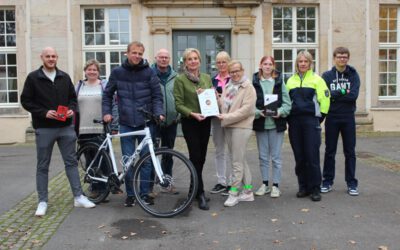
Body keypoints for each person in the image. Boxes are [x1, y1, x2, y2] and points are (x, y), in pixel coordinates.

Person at [21, 47, 95, 217]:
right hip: (44, 127)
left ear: (57, 57)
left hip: (65, 127)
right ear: (42, 58)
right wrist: (43, 112)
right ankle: (42, 201)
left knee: (71, 163)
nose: (51, 59)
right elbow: (25, 100)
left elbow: (72, 99)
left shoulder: (64, 76)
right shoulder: (33, 78)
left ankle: (78, 196)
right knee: (43, 165)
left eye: (54, 56)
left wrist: (71, 110)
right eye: (48, 56)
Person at [102, 41, 164, 207]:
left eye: (140, 53)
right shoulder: (117, 73)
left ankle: (143, 194)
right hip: (126, 122)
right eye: (134, 53)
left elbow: (157, 96)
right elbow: (107, 94)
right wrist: (107, 113)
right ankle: (130, 194)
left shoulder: (149, 73)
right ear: (127, 53)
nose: (137, 56)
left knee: (146, 160)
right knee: (127, 160)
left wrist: (159, 112)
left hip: (146, 122)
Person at [286, 51, 330, 202]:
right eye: (300, 61)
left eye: (306, 61)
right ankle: (303, 186)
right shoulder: (290, 81)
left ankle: (315, 188)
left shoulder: (317, 80)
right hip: (294, 122)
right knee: (299, 156)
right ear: (297, 64)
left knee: (312, 156)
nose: (303, 64)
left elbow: (325, 99)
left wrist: (320, 118)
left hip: (311, 121)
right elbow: (286, 102)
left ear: (310, 63)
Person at [174, 48, 212, 210]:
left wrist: (213, 95)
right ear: (185, 62)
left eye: (196, 58)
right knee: (195, 156)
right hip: (190, 122)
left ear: (200, 61)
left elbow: (211, 98)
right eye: (190, 59)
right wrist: (192, 113)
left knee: (201, 157)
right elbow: (178, 104)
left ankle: (193, 189)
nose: (193, 61)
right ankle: (200, 193)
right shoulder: (180, 80)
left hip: (206, 121)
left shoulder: (206, 78)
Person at [75, 59, 118, 198]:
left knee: (103, 158)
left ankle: (105, 187)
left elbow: (113, 104)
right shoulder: (79, 86)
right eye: (89, 69)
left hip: (101, 127)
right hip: (83, 128)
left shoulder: (104, 85)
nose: (92, 72)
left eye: (94, 70)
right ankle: (94, 187)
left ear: (98, 72)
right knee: (89, 159)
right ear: (85, 71)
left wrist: (113, 123)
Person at [321, 47, 360, 196]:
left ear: (348, 58)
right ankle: (327, 181)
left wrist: (335, 94)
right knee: (330, 151)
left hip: (348, 117)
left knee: (350, 151)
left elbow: (354, 95)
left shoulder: (353, 74)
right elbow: (326, 95)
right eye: (339, 56)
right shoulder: (327, 75)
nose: (342, 59)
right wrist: (344, 91)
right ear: (334, 58)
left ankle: (351, 183)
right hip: (332, 117)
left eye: (345, 57)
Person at [217, 60, 257, 207]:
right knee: (240, 159)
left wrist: (226, 117)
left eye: (237, 71)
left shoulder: (248, 88)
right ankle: (247, 191)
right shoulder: (229, 86)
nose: (234, 74)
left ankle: (233, 192)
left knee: (236, 161)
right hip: (228, 126)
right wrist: (213, 96)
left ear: (242, 70)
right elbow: (224, 104)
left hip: (241, 127)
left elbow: (246, 110)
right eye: (231, 72)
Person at [252, 56, 291, 198]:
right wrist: (257, 112)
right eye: (265, 64)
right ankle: (264, 184)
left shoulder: (280, 82)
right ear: (260, 65)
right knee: (262, 157)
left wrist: (280, 112)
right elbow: (249, 104)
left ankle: (275, 186)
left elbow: (288, 104)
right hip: (261, 124)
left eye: (270, 64)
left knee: (276, 157)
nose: (267, 66)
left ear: (273, 66)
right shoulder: (254, 82)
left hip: (276, 125)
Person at [150, 48, 179, 194]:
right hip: (154, 121)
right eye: (161, 57)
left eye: (166, 57)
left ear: (169, 59)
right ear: (156, 58)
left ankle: (167, 182)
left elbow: (179, 97)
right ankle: (150, 185)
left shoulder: (175, 76)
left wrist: (178, 114)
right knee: (151, 154)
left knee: (168, 153)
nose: (163, 59)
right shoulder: (149, 74)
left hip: (171, 122)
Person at [210, 51, 231, 195]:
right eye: (218, 62)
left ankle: (231, 182)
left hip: (231, 118)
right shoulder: (213, 80)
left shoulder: (234, 78)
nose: (221, 64)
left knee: (232, 150)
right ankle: (221, 181)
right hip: (217, 119)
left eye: (224, 61)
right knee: (219, 150)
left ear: (228, 62)